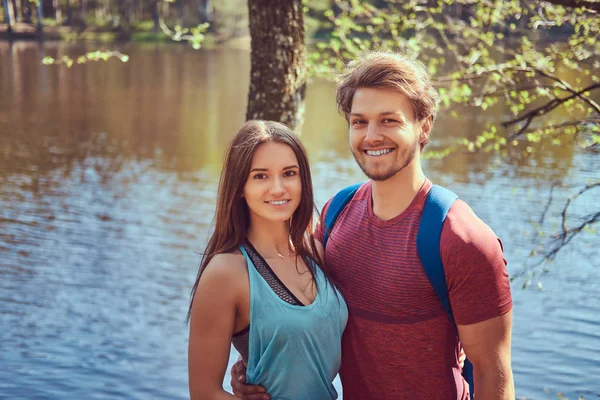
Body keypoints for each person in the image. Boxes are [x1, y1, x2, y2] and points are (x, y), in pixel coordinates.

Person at [231, 52, 514, 399]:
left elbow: (492, 374)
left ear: (424, 125)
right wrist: (259, 368)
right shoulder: (336, 214)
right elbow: (310, 323)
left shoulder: (462, 239)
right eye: (359, 122)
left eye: (389, 121)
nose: (371, 136)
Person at [187, 120, 348, 400]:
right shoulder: (226, 273)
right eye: (260, 176)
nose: (277, 188)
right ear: (240, 186)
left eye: (289, 173)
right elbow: (203, 393)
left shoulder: (316, 251)